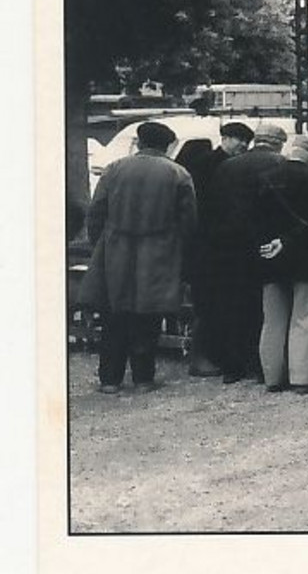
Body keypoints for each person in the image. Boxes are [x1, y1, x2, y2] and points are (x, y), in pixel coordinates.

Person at [81, 121, 196, 394]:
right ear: (166, 145)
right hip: (159, 252)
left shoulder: (114, 169)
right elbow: (189, 222)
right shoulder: (178, 174)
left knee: (113, 315)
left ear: (139, 142)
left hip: (116, 249)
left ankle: (109, 379)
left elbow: (96, 212)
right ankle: (143, 378)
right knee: (148, 316)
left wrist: (101, 244)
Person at [207, 122, 289, 384]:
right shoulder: (281, 164)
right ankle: (263, 364)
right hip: (266, 245)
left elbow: (213, 206)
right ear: (277, 143)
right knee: (267, 306)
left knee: (232, 304)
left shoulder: (227, 166)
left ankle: (233, 365)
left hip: (228, 245)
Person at [256, 135, 308, 396]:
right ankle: (303, 377)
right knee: (305, 316)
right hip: (307, 255)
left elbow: (254, 218)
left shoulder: (265, 177)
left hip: (270, 254)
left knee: (273, 318)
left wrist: (269, 242)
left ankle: (272, 376)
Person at [180, 121, 253, 377]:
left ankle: (214, 355)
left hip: (216, 244)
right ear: (225, 138)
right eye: (238, 139)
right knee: (210, 303)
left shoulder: (211, 163)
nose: (242, 145)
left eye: (246, 140)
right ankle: (203, 357)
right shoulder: (209, 164)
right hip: (210, 244)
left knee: (217, 302)